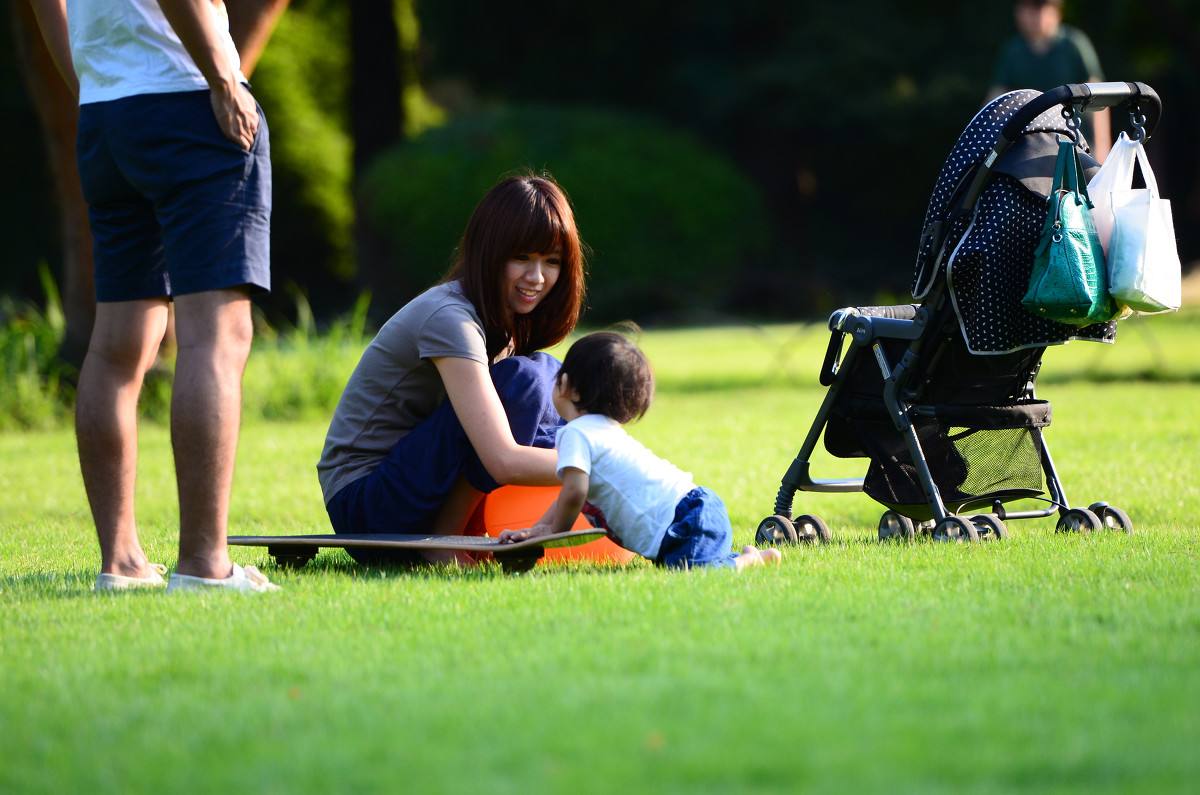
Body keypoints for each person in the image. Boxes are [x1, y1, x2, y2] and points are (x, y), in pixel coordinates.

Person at [30, 0, 277, 592]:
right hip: (187, 99)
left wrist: (92, 87)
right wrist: (223, 76)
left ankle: (121, 562)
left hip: (109, 116)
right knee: (215, 337)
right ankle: (204, 565)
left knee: (117, 344)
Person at [318, 174, 586, 565]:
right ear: (490, 253)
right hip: (366, 504)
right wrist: (599, 465)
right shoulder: (449, 318)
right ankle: (445, 542)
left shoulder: (506, 321)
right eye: (522, 258)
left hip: (414, 484)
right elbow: (502, 458)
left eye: (552, 262)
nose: (537, 277)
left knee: (548, 377)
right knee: (527, 382)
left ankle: (458, 531)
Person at [499, 332, 782, 571]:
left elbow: (574, 492)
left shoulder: (576, 433)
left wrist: (554, 531)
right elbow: (566, 494)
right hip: (692, 511)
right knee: (683, 565)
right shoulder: (599, 429)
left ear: (569, 388)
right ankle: (745, 558)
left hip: (686, 520)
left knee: (695, 574)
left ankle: (745, 562)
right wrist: (539, 529)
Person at [988, 0, 1111, 161]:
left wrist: (1102, 150)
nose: (1036, 16)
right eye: (1030, 9)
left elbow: (1098, 99)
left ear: (1056, 12)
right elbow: (996, 101)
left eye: (1041, 8)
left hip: (1076, 146)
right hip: (1030, 149)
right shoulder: (1012, 50)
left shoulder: (1074, 44)